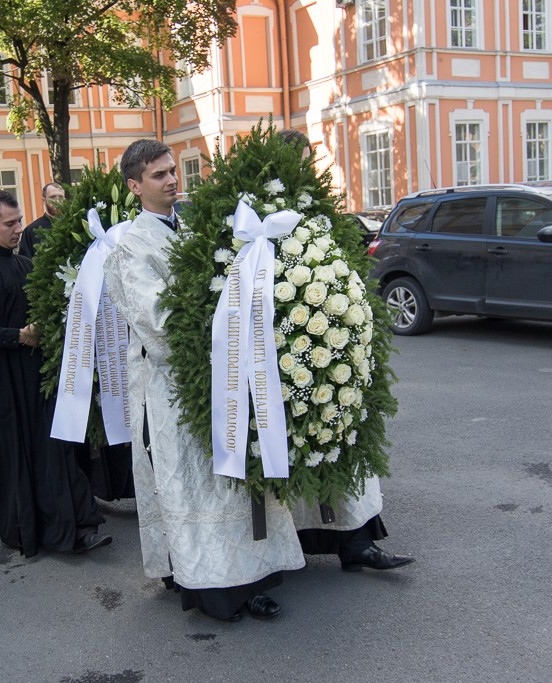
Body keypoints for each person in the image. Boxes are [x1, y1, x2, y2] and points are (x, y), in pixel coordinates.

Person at [104, 139, 305, 622]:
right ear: (134, 186)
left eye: (173, 170)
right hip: (175, 385)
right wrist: (220, 326)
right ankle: (214, 587)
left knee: (233, 477)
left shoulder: (195, 229)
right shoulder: (129, 247)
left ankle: (252, 575)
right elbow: (157, 322)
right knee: (196, 484)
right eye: (158, 175)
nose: (172, 180)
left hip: (228, 371)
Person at [273, 128, 414, 573]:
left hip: (334, 342)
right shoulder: (263, 215)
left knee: (343, 441)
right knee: (298, 448)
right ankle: (289, 546)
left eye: (307, 159)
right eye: (296, 160)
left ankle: (358, 544)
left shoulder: (321, 211)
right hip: (286, 348)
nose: (304, 167)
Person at [0, 189, 110, 557]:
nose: (18, 230)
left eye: (20, 221)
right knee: (17, 458)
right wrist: (17, 336)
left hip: (34, 376)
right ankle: (31, 529)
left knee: (53, 451)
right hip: (1, 383)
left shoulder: (24, 264)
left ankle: (76, 528)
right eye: (9, 224)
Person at [17, 182, 65, 258]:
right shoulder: (31, 230)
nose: (57, 201)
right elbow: (25, 261)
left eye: (60, 197)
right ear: (44, 200)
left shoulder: (72, 226)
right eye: (52, 197)